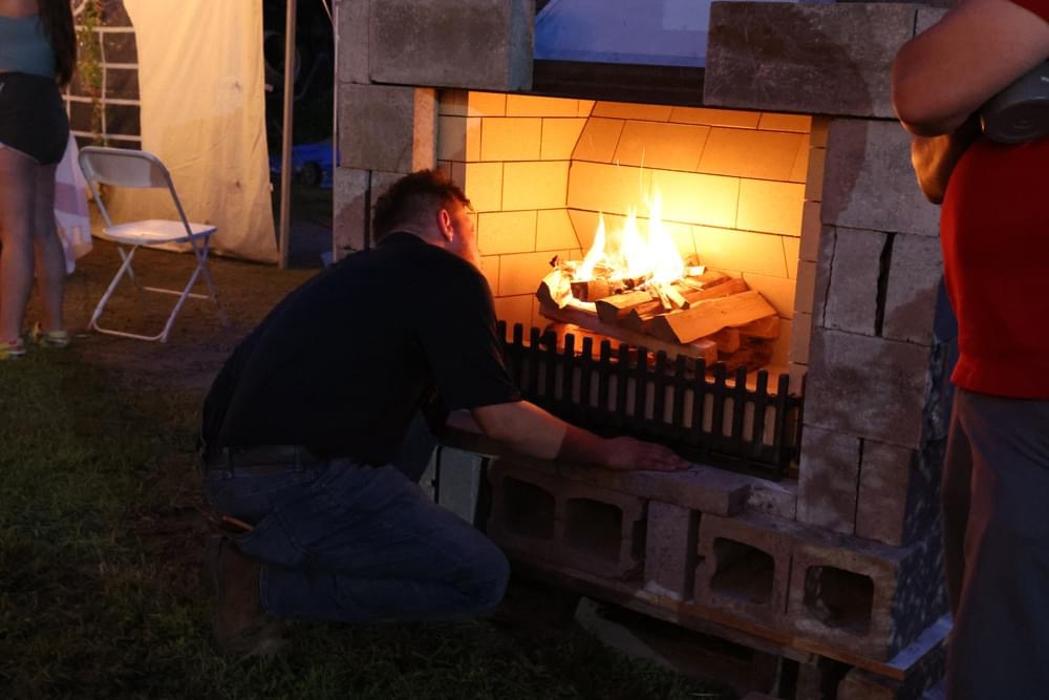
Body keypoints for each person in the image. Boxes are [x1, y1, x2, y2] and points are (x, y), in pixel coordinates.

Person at [199, 169, 689, 657]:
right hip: (297, 479)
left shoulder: (350, 276)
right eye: (474, 232)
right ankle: (260, 584)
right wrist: (606, 451)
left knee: (424, 419)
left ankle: (299, 540)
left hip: (230, 470)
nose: (478, 250)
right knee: (481, 581)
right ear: (446, 223)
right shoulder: (449, 274)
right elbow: (502, 419)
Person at [892, 1, 1049, 697]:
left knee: (1008, 620)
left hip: (1031, 358)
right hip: (1004, 346)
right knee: (978, 543)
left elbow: (924, 90)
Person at [0, 0, 75, 359]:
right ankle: (54, 327)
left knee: (14, 233)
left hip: (12, 110)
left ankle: (8, 337)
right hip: (50, 114)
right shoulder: (55, 10)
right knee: (43, 228)